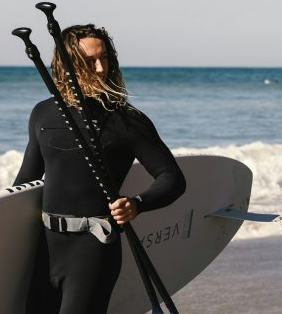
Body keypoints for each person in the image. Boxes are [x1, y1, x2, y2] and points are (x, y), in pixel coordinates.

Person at [13, 24, 186, 314]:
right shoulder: (42, 113)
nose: (100, 68)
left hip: (93, 249)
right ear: (65, 64)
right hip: (45, 248)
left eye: (104, 58)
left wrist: (137, 204)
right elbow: (24, 183)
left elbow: (172, 178)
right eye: (89, 61)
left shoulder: (126, 121)